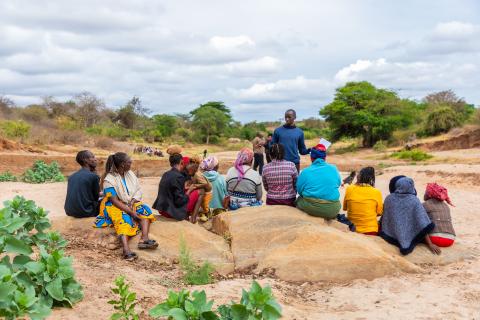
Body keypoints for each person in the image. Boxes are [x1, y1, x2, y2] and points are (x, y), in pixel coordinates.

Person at [94, 152, 157, 261]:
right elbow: (113, 200)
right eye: (129, 161)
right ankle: (126, 250)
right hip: (113, 204)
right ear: (123, 164)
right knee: (124, 219)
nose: (131, 163)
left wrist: (132, 202)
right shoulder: (109, 179)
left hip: (129, 202)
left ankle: (144, 239)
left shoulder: (130, 174)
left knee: (144, 210)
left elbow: (138, 190)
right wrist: (131, 212)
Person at [380, 176, 441, 255]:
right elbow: (422, 223)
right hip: (410, 232)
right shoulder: (414, 200)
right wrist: (430, 244)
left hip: (392, 234)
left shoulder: (389, 198)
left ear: (397, 186)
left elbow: (386, 219)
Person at [152, 154, 204, 223]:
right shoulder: (179, 177)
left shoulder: (166, 174)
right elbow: (180, 201)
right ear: (182, 162)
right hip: (171, 213)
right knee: (201, 191)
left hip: (162, 210)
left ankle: (188, 217)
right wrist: (189, 190)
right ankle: (193, 219)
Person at [296, 144, 341, 219]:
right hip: (333, 209)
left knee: (299, 199)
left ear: (311, 158)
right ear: (325, 158)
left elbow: (299, 191)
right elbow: (338, 184)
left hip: (312, 207)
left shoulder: (305, 172)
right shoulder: (334, 169)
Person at [343, 167, 383, 235]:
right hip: (370, 230)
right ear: (371, 179)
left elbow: (345, 208)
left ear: (358, 177)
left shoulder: (349, 189)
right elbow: (379, 212)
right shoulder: (376, 192)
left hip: (351, 228)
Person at [64, 150, 100, 218]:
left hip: (69, 211)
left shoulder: (72, 176)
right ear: (85, 160)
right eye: (92, 157)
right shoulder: (93, 176)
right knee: (109, 199)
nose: (95, 159)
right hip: (86, 212)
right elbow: (96, 197)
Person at [423, 183, 456, 247]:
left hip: (434, 239)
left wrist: (430, 244)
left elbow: (422, 223)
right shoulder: (446, 206)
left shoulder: (425, 204)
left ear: (429, 193)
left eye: (426, 192)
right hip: (450, 239)